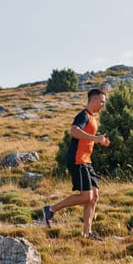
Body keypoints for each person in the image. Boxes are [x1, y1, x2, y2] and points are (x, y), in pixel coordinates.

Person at [42, 88, 110, 240]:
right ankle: (50, 209)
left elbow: (86, 138)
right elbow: (74, 131)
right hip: (77, 160)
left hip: (86, 160)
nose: (103, 105)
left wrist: (100, 141)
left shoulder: (92, 118)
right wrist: (95, 138)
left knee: (94, 196)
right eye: (102, 102)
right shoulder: (83, 115)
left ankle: (87, 233)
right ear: (93, 101)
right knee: (87, 195)